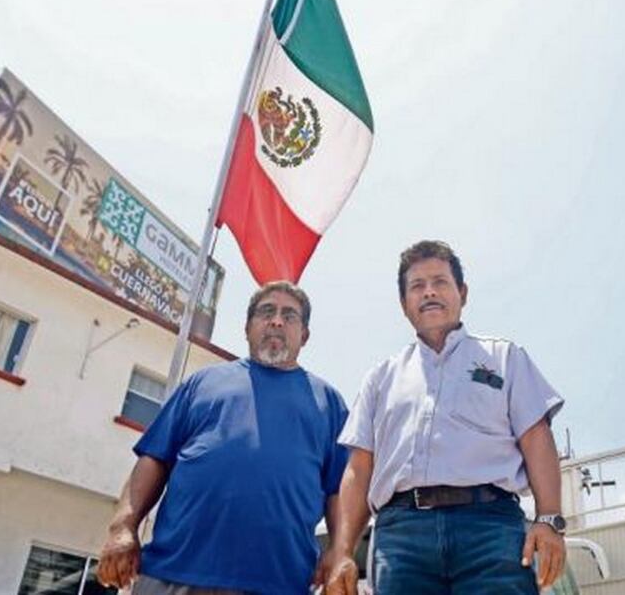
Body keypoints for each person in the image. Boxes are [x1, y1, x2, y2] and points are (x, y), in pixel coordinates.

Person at [324, 240, 566, 595]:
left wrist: (549, 519)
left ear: (462, 293)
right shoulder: (380, 378)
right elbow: (359, 468)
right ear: (404, 304)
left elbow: (536, 438)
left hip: (491, 530)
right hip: (401, 540)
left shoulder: (506, 358)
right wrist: (342, 551)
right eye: (417, 286)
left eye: (440, 282)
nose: (429, 292)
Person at [97, 281, 349, 595]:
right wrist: (122, 527)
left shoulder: (330, 403)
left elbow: (340, 490)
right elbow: (154, 459)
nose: (276, 321)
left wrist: (340, 550)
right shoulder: (202, 383)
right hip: (172, 574)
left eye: (289, 316)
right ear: (247, 328)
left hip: (279, 583)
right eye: (266, 312)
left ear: (305, 335)